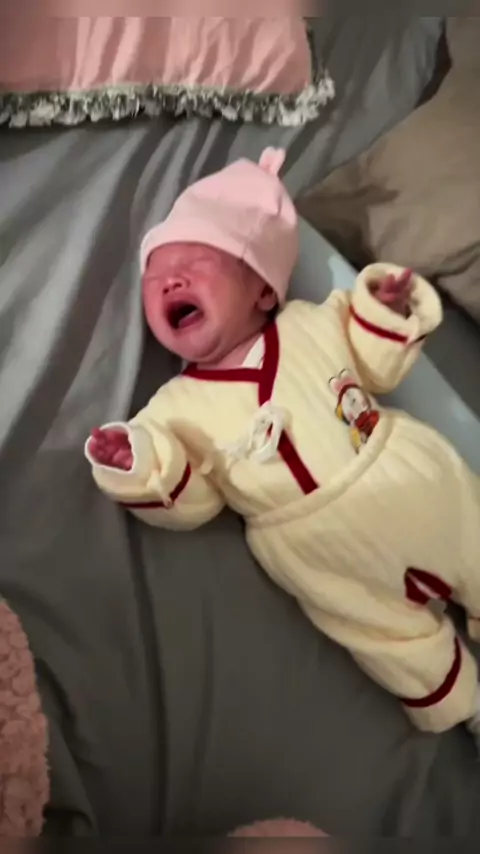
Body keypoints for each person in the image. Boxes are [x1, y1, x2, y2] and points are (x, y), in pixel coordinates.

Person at [85, 148, 480, 745]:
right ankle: (468, 708)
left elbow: (376, 364)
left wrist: (384, 311)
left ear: (263, 291)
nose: (172, 280)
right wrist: (138, 463)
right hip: (316, 550)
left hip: (405, 474)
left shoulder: (312, 325)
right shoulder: (173, 410)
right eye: (156, 277)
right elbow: (194, 502)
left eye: (195, 263)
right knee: (384, 637)